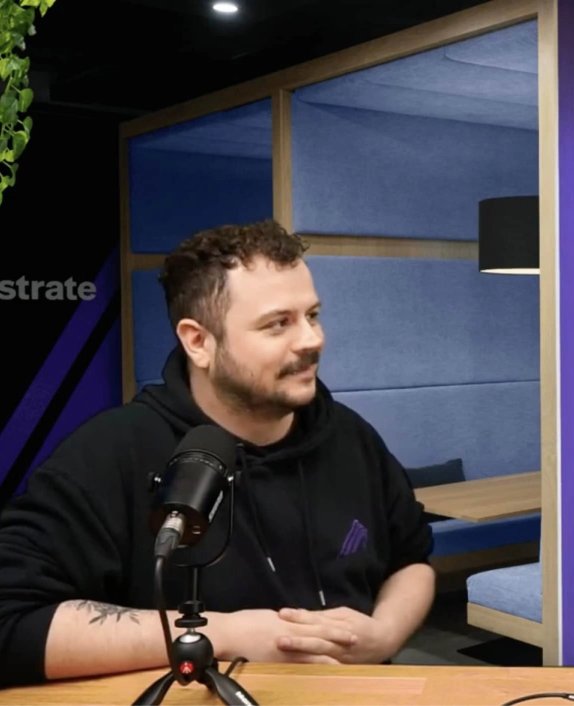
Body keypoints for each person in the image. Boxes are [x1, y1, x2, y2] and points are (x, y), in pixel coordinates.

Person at [0, 220, 436, 686]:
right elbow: (10, 621)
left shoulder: (351, 436)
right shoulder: (110, 453)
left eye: (312, 315)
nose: (312, 340)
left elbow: (411, 559)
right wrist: (223, 635)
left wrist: (385, 635)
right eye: (278, 324)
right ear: (198, 342)